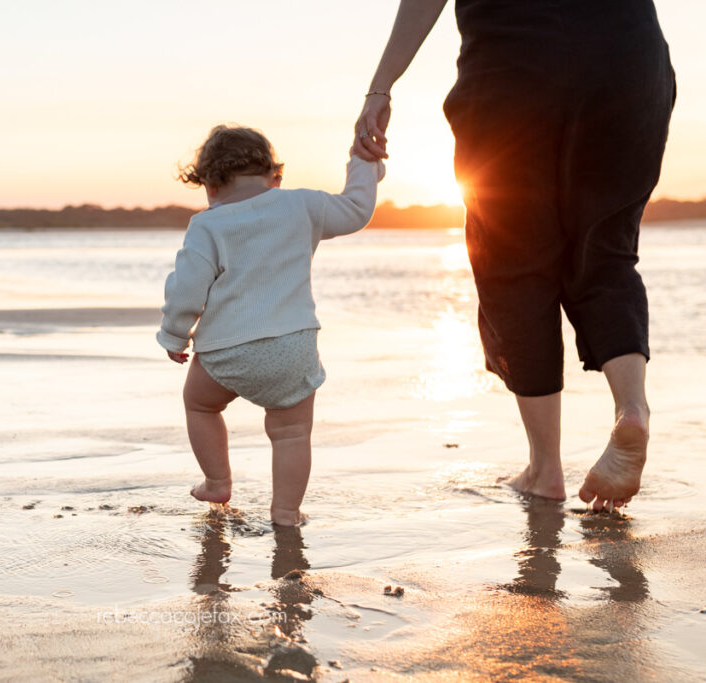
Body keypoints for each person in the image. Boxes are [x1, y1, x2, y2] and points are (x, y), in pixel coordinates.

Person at [353, 0, 676, 512]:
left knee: (513, 263)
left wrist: (380, 87)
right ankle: (631, 410)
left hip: (512, 66)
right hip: (627, 59)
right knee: (607, 253)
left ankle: (545, 470)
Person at [157, 124, 384, 526]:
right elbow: (356, 210)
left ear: (209, 185)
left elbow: (187, 287)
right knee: (292, 433)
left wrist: (175, 334)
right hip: (291, 348)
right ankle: (286, 512)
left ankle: (217, 481)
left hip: (225, 350)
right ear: (276, 177)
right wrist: (364, 164)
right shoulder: (300, 205)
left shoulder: (207, 224)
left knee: (200, 405)